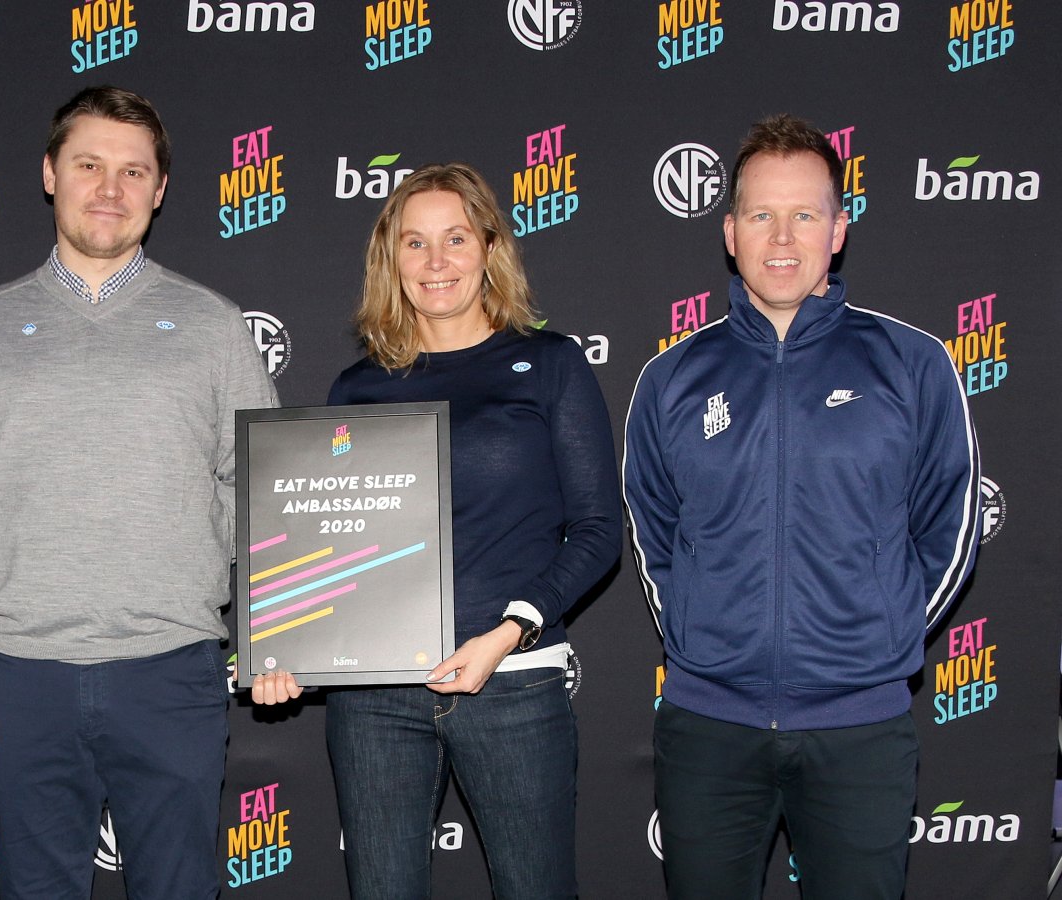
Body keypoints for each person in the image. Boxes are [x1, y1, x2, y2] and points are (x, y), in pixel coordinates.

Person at [0, 85, 278, 899]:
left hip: (173, 671)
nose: (109, 189)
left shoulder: (215, 327)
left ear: (160, 189)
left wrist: (277, 629)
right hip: (18, 675)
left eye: (132, 170)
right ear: (49, 174)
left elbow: (263, 491)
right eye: (88, 165)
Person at [624, 114, 980, 899]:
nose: (781, 236)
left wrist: (876, 639)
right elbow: (653, 531)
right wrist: (697, 630)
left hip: (861, 727)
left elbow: (950, 524)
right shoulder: (671, 378)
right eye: (760, 214)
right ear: (729, 231)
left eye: (805, 214)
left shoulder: (913, 363)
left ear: (838, 229)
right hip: (708, 726)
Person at [254, 163, 622, 899]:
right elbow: (329, 539)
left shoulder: (548, 364)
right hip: (375, 700)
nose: (436, 262)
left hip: (513, 684)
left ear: (490, 246)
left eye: (455, 238)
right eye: (414, 243)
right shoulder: (357, 387)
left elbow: (597, 530)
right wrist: (288, 644)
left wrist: (508, 632)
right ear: (390, 258)